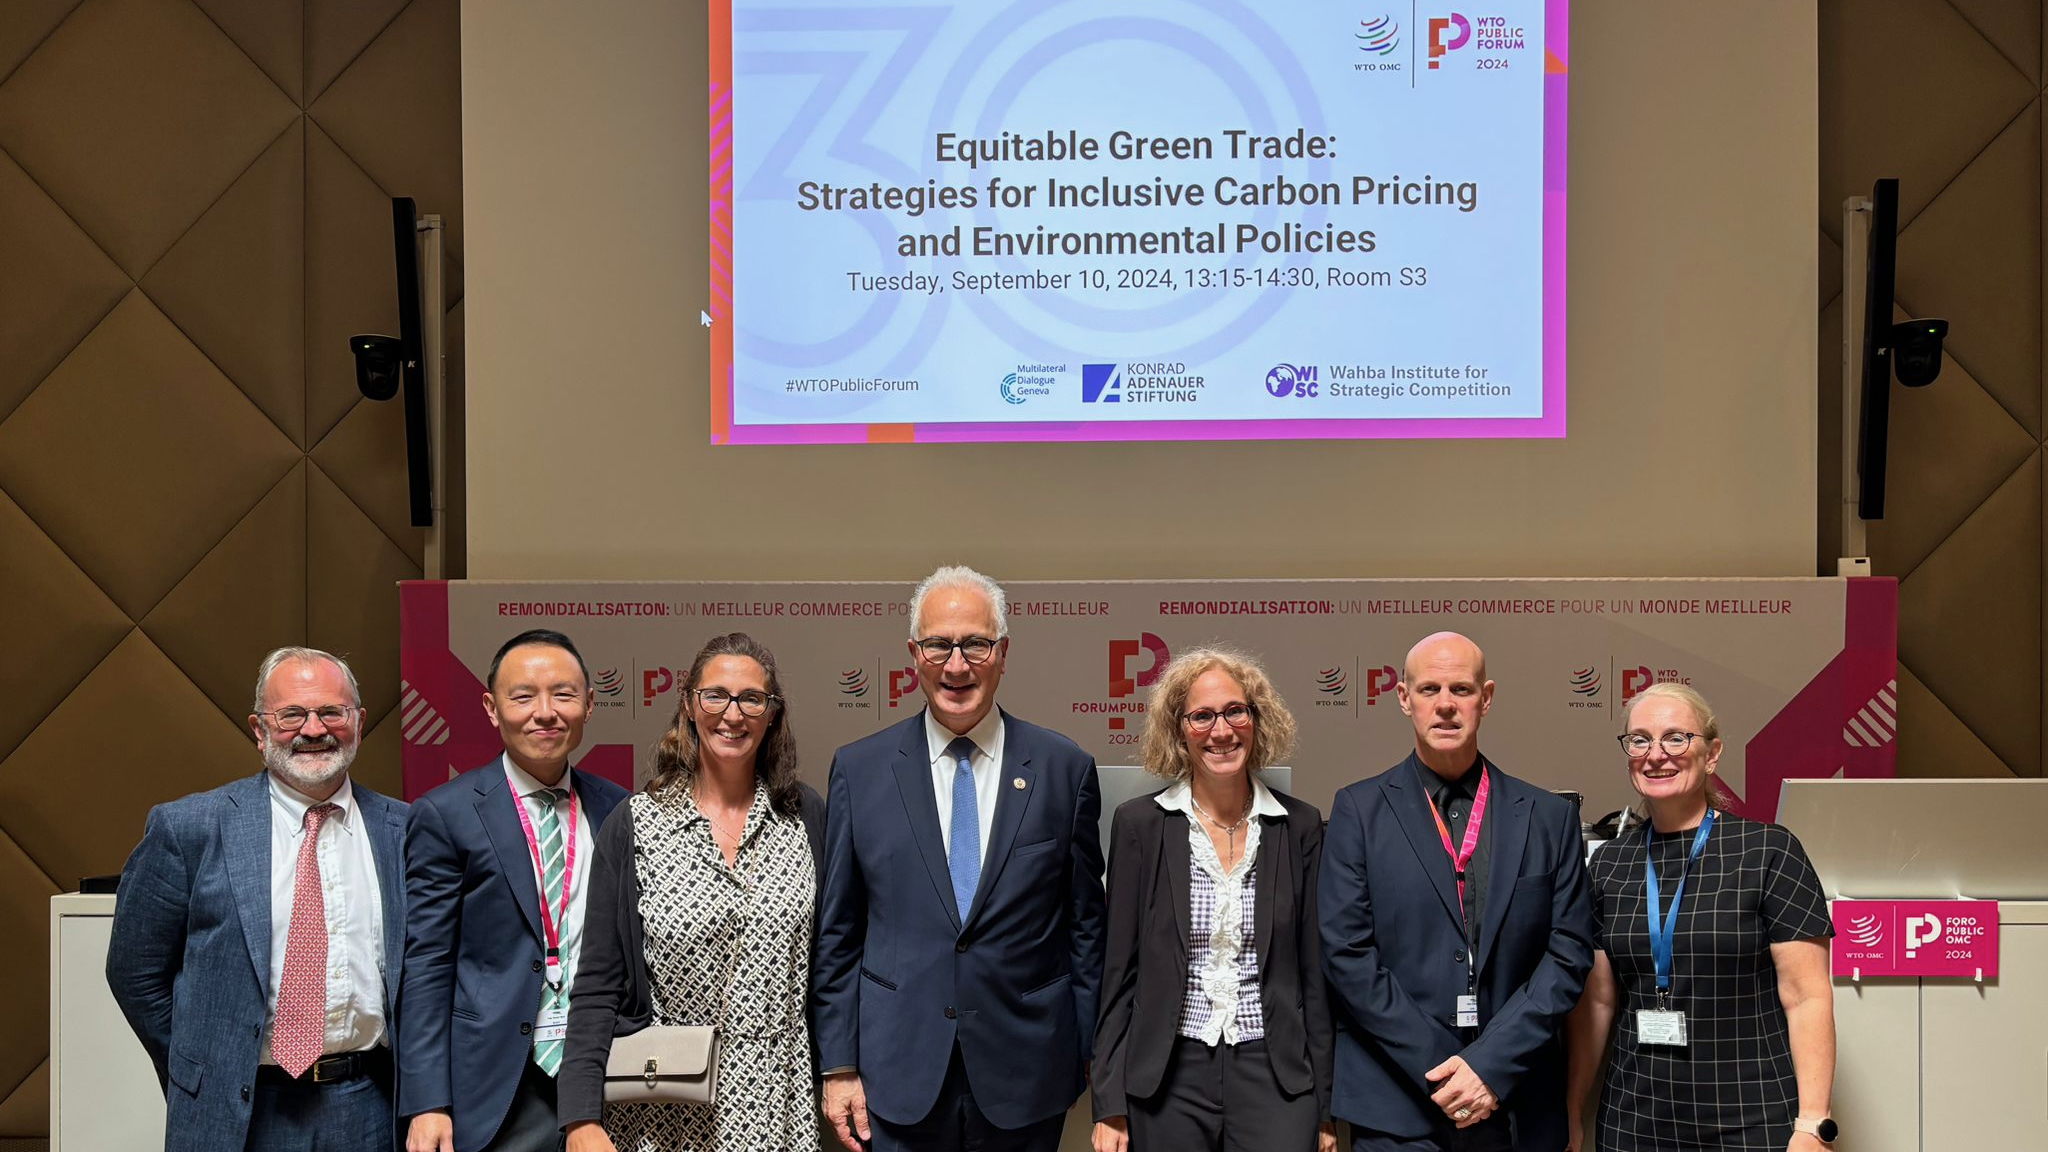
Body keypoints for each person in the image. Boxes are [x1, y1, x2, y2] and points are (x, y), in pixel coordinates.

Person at [814, 565, 1107, 1152]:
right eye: (938, 645)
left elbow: (1085, 930)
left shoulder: (1062, 769)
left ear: (1002, 652)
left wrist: (1086, 1051)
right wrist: (840, 1063)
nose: (956, 665)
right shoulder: (861, 770)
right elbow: (839, 932)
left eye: (974, 644)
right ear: (913, 655)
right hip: (896, 1073)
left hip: (1028, 1073)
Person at [108, 646, 408, 1152]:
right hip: (239, 1110)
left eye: (332, 711)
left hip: (371, 1105)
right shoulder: (189, 828)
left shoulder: (405, 830)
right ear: (259, 729)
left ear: (357, 722)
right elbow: (135, 973)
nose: (314, 730)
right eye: (291, 714)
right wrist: (203, 1066)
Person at [1320, 631, 1595, 1151]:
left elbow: (1569, 955)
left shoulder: (1549, 819)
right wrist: (1449, 1073)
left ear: (1486, 698)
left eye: (1461, 690)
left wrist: (1489, 1067)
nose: (1445, 705)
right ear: (1404, 699)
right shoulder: (1357, 812)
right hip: (1400, 1107)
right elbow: (1347, 956)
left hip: (1517, 1104)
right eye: (1428, 690)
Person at [558, 632, 826, 1151]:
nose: (733, 713)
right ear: (688, 703)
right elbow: (596, 984)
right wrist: (580, 1118)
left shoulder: (805, 816)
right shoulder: (635, 825)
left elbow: (834, 965)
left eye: (752, 698)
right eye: (716, 695)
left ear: (772, 713)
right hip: (667, 1107)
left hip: (781, 1105)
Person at [1564, 683, 1837, 1151]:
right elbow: (1598, 1004)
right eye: (1640, 740)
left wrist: (1813, 1123)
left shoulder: (1768, 851)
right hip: (1635, 1122)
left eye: (1676, 737)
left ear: (1711, 754)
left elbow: (1806, 997)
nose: (1656, 755)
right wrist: (1570, 1111)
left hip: (1750, 1120)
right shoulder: (1609, 863)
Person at [1092, 649, 1335, 1152]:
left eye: (1234, 711)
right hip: (1167, 1077)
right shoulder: (1141, 826)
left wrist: (1326, 1109)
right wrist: (1109, 1100)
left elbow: (1315, 976)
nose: (1221, 731)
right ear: (1179, 729)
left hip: (1277, 1076)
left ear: (1256, 719)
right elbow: (1119, 972)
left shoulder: (1301, 827)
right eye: (1201, 715)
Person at [400, 629, 632, 1152]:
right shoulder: (446, 814)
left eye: (564, 695)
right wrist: (427, 1102)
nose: (545, 712)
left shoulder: (619, 809)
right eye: (523, 696)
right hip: (495, 1080)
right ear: (491, 707)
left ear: (590, 705)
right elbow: (428, 965)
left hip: (604, 1070)